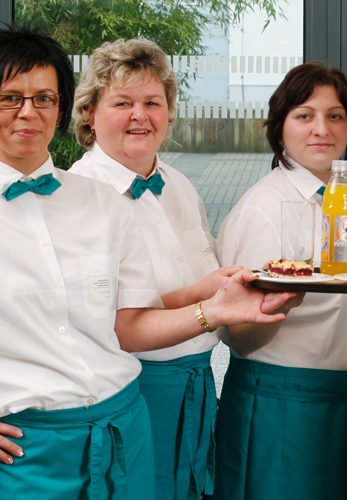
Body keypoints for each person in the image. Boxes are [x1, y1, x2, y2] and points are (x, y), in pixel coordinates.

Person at [0, 26, 292, 500]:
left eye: (44, 98)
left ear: (61, 108)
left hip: (126, 429)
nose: (28, 112)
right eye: (9, 98)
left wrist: (217, 311)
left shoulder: (103, 203)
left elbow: (130, 326)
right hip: (26, 449)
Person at [212, 62, 347, 500]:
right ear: (280, 127)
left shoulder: (344, 200)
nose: (321, 129)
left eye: (335, 116)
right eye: (304, 115)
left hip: (345, 401)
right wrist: (279, 305)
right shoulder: (266, 209)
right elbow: (240, 334)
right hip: (284, 406)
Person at [68, 37, 234, 500]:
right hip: (128, 394)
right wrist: (210, 304)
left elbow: (189, 286)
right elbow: (108, 322)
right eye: (122, 102)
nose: (140, 115)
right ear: (89, 114)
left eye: (152, 103)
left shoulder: (179, 185)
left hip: (197, 384)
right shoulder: (77, 196)